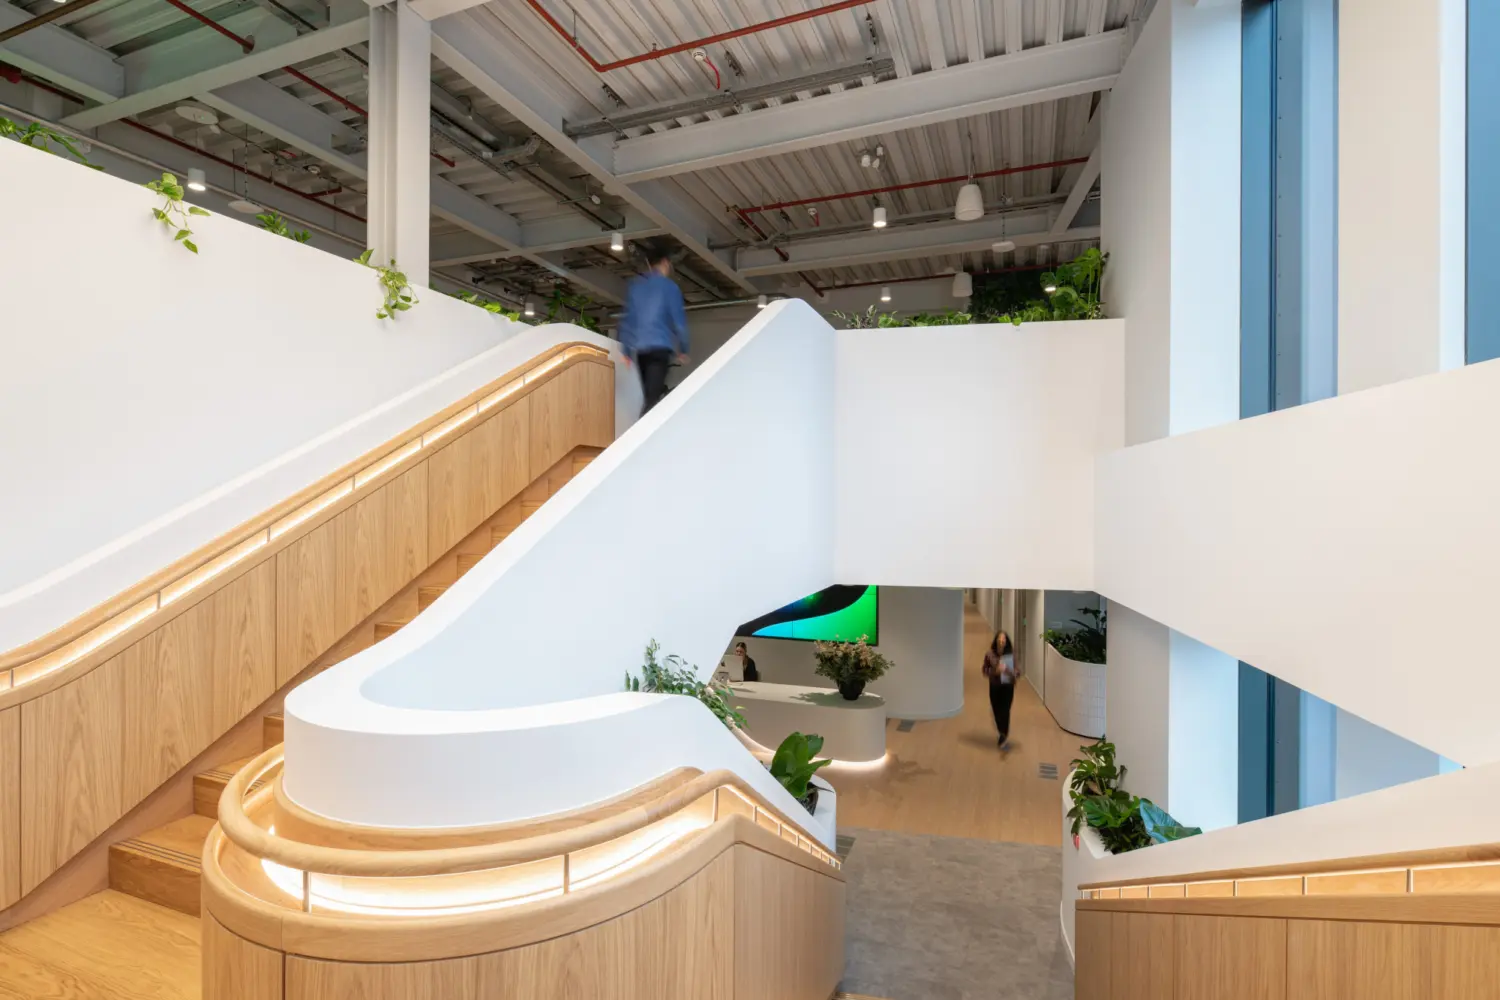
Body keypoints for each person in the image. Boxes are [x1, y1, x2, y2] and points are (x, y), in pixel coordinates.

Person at [618, 251, 689, 414]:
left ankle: (641, 433)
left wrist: (626, 351)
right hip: (660, 349)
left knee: (649, 397)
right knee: (652, 400)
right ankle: (639, 437)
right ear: (665, 263)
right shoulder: (670, 287)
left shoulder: (636, 287)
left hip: (642, 351)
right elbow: (679, 322)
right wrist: (683, 349)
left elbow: (628, 320)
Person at [982, 630, 1018, 749]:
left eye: (1004, 640)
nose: (1001, 642)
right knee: (996, 710)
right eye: (999, 639)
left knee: (1005, 711)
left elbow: (1018, 672)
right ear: (996, 641)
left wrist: (1009, 670)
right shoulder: (989, 655)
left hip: (1008, 686)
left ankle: (1003, 734)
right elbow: (984, 671)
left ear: (1006, 642)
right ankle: (1001, 731)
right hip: (995, 686)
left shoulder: (1011, 656)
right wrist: (994, 671)